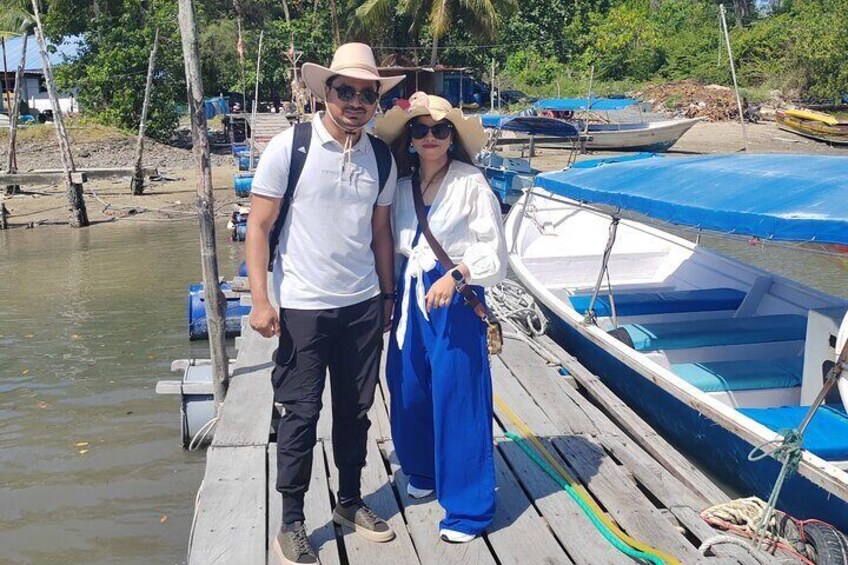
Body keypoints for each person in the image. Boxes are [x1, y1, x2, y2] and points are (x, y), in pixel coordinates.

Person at [245, 43, 404, 565]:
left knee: (355, 412)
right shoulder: (289, 148)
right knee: (299, 414)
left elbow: (381, 232)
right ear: (326, 92)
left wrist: (387, 295)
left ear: (376, 99)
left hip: (360, 305)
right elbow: (260, 227)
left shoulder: (381, 155)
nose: (356, 101)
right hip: (302, 308)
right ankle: (291, 520)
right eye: (346, 91)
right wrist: (261, 300)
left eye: (366, 93)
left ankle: (350, 501)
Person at [374, 92, 507, 543]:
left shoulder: (471, 182)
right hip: (411, 294)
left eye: (439, 129)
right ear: (409, 139)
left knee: (458, 395)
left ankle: (468, 508)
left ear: (452, 137)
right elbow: (389, 241)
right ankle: (423, 467)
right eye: (420, 130)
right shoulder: (401, 182)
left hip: (455, 294)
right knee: (407, 385)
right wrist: (388, 295)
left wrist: (458, 273)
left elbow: (493, 250)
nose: (430, 137)